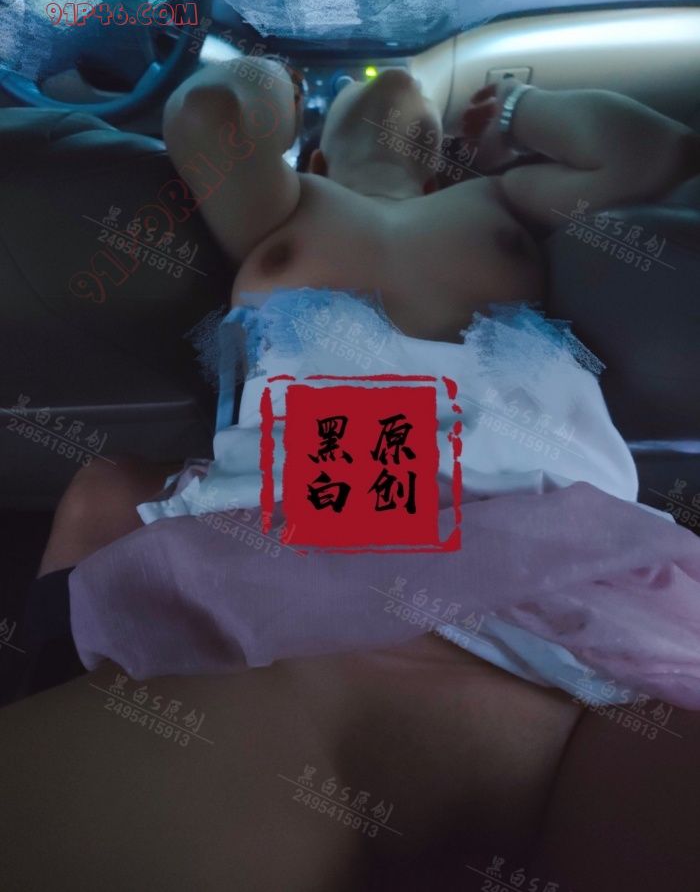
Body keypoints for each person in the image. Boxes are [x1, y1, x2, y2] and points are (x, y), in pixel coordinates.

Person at [3, 59, 700, 891]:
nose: (389, 79)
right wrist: (275, 78)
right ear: (317, 152)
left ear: (441, 161)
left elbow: (658, 152)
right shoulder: (289, 204)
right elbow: (210, 113)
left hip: (557, 578)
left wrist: (516, 109)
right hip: (289, 585)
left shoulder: (499, 199)